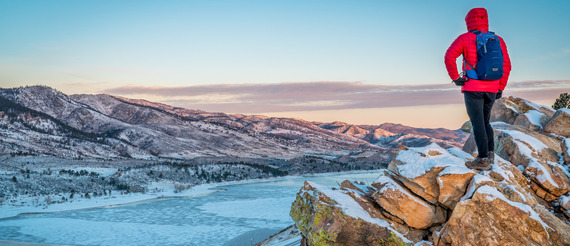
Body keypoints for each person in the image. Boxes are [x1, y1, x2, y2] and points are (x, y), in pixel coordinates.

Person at [444, 7, 511, 171]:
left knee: (477, 123)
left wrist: (455, 78)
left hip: (473, 88)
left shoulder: (465, 38)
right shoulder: (498, 40)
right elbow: (506, 66)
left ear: (468, 21)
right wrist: (500, 87)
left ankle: (482, 159)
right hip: (492, 88)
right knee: (485, 121)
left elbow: (449, 56)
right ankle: (490, 155)